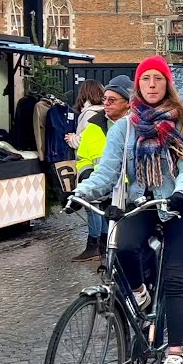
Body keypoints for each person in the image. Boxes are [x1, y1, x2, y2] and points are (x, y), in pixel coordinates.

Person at [71, 55, 183, 364]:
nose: (151, 85)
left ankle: (174, 359)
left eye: (157, 79)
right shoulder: (125, 127)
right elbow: (107, 170)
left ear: (166, 85)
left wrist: (181, 191)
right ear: (138, 86)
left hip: (181, 207)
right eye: (145, 79)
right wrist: (81, 192)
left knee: (174, 279)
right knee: (124, 247)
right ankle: (141, 295)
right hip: (143, 203)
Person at [67, 80, 107, 261]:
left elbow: (83, 142)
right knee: (104, 207)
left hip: (90, 166)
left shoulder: (88, 114)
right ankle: (104, 245)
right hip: (105, 166)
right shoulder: (106, 111)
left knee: (92, 207)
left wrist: (71, 138)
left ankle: (93, 246)